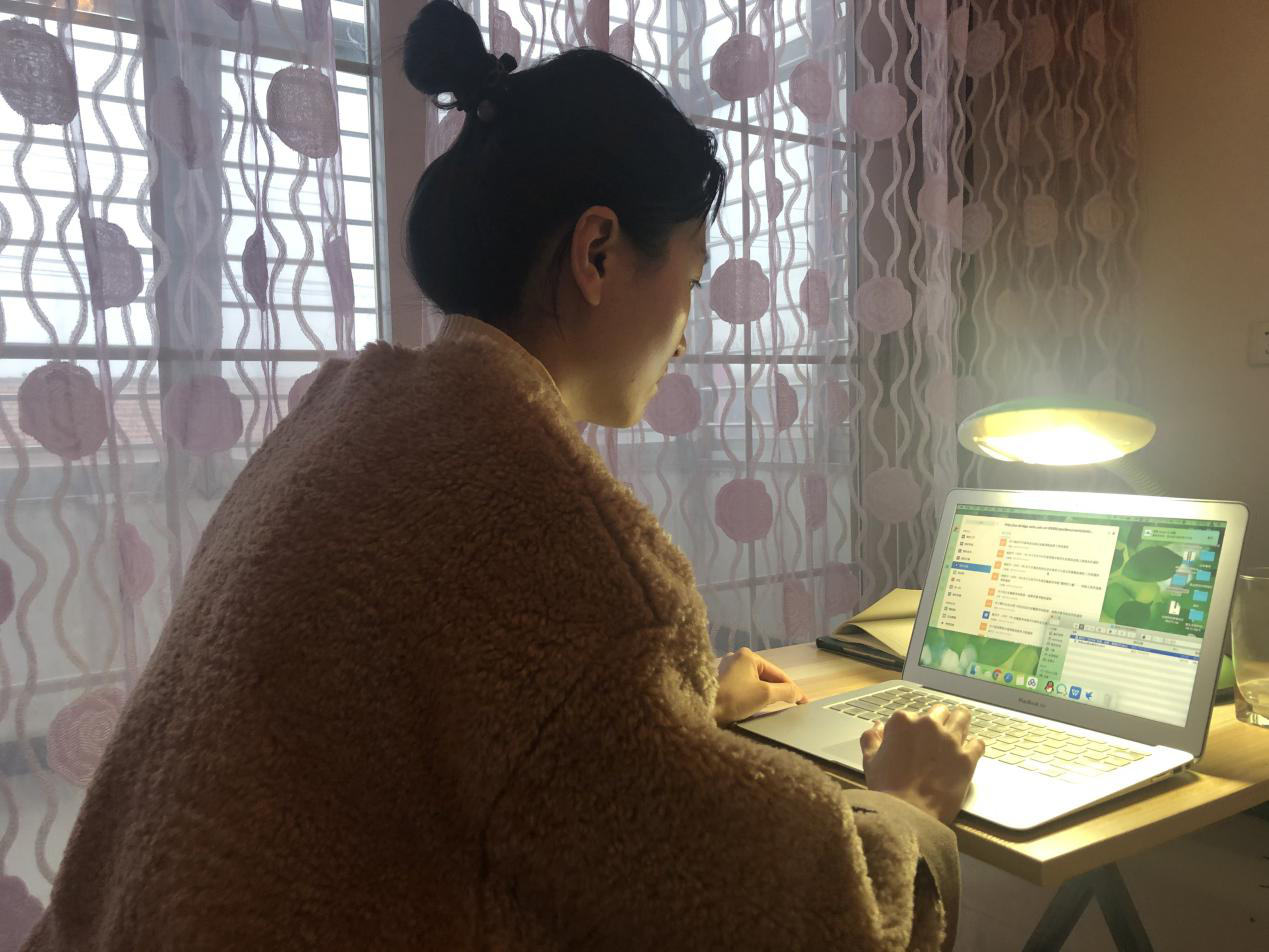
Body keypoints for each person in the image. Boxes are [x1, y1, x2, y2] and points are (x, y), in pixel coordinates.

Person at [23, 2, 982, 950]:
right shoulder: (556, 539)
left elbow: (473, 728)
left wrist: (679, 717)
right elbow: (814, 927)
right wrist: (905, 806)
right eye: (689, 283)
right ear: (597, 252)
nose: (688, 335)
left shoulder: (343, 419)